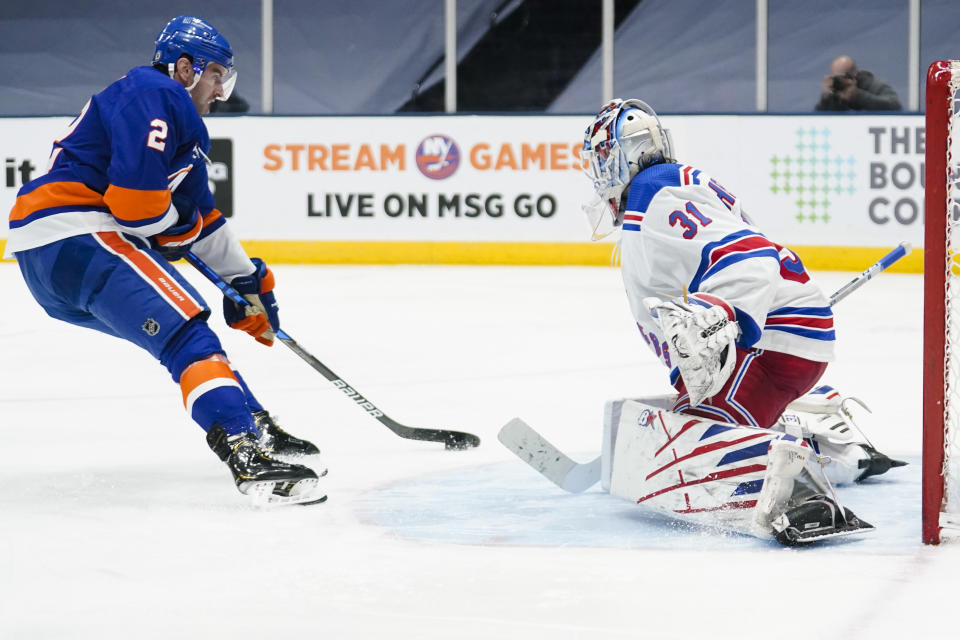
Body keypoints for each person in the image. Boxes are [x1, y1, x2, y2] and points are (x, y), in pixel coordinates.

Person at [4, 16, 324, 505]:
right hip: (78, 235)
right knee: (188, 333)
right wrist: (180, 229)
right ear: (185, 68)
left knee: (184, 340)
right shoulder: (154, 91)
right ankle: (243, 450)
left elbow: (202, 220)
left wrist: (251, 284)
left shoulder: (186, 138)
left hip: (49, 260)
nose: (221, 90)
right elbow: (136, 207)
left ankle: (252, 422)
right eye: (217, 74)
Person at [579, 99, 904, 543]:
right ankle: (840, 445)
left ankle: (802, 489)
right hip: (777, 338)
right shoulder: (659, 192)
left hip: (773, 342)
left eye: (600, 158)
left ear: (624, 154)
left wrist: (723, 316)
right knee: (700, 425)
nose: (597, 173)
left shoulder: (656, 191)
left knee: (698, 455)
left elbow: (749, 254)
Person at [815, 55, 901, 111]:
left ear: (855, 75)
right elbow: (818, 120)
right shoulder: (834, 91)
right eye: (836, 77)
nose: (840, 81)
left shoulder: (872, 84)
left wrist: (858, 96)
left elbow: (895, 106)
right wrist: (826, 99)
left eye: (844, 77)